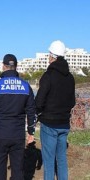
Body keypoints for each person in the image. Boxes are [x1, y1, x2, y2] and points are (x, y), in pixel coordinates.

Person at [0, 54, 36, 180]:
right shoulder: (26, 86)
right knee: (18, 170)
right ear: (16, 67)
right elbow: (32, 111)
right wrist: (31, 132)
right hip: (18, 135)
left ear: (3, 66)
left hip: (1, 135)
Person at [35, 40, 75, 180]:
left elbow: (38, 102)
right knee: (62, 159)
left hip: (49, 124)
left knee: (49, 161)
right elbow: (72, 102)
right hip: (64, 124)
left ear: (52, 56)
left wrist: (39, 113)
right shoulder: (70, 78)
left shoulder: (48, 76)